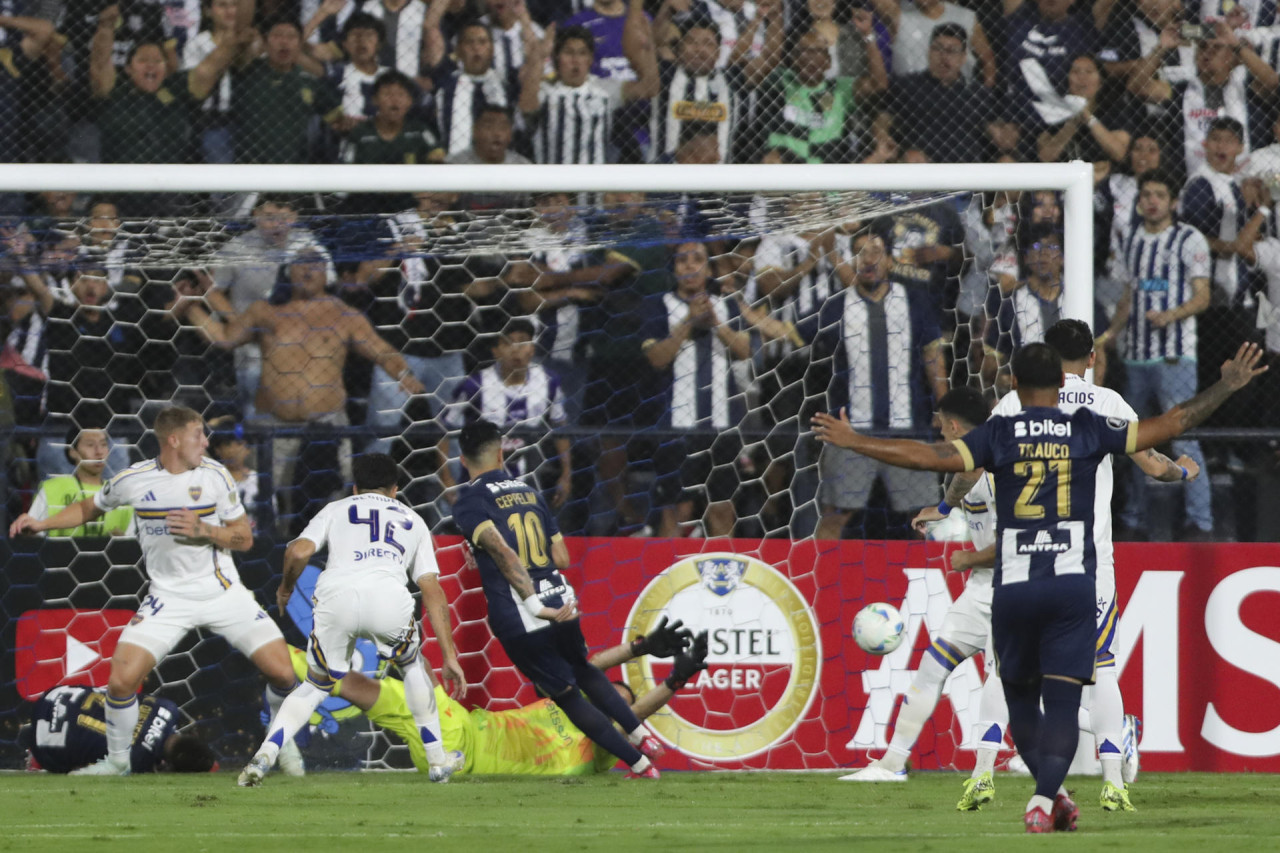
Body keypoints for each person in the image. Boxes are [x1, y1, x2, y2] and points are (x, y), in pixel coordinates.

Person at [812, 340, 1267, 832]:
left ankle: (1048, 793)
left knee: (1018, 699)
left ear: (1013, 384)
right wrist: (1227, 385)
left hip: (1015, 586)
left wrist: (854, 440)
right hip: (1071, 586)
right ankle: (1044, 798)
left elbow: (930, 456)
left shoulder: (999, 432)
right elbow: (1173, 423)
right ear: (1066, 383)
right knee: (1066, 702)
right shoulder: (1089, 427)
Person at [9, 405, 305, 778]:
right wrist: (41, 522)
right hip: (168, 598)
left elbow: (244, 538)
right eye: (199, 435)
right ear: (174, 440)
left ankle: (283, 741)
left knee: (282, 674)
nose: (206, 442)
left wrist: (206, 532)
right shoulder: (135, 479)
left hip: (224, 594)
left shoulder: (216, 476)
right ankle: (118, 761)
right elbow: (89, 508)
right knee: (120, 681)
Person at [451, 418, 665, 779]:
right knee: (583, 669)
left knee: (565, 694)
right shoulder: (531, 493)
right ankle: (643, 738)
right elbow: (562, 557)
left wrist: (532, 601)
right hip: (562, 596)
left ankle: (640, 765)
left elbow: (501, 550)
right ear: (501, 452)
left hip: (523, 610)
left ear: (462, 459)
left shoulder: (470, 500)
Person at [238, 453, 466, 786]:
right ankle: (437, 761)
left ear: (356, 487)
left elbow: (298, 552)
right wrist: (449, 656)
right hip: (388, 602)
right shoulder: (412, 519)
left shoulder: (337, 509)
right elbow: (430, 588)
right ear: (395, 490)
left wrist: (286, 588)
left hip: (336, 599)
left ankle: (264, 755)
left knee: (316, 685)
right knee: (412, 664)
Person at [839, 386, 1009, 794]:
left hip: (1013, 591)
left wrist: (968, 559)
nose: (938, 435)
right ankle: (892, 762)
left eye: (939, 427)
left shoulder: (1006, 469)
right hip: (980, 591)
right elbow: (962, 478)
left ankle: (1110, 728)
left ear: (952, 426)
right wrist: (945, 510)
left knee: (1011, 687)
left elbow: (1019, 545)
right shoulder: (971, 465)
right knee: (932, 668)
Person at [182, 251, 427, 533]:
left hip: (327, 426)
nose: (307, 271)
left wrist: (404, 374)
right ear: (288, 272)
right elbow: (224, 337)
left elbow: (381, 349)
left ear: (326, 272)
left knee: (329, 502)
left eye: (314, 265)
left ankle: (321, 560)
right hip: (272, 426)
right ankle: (270, 562)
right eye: (300, 266)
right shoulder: (267, 311)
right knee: (268, 499)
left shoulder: (343, 314)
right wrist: (190, 307)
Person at [300, 619, 705, 775]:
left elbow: (632, 714)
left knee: (400, 678)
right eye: (603, 697)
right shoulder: (562, 700)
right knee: (363, 685)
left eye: (615, 705)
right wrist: (637, 648)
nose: (605, 702)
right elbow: (589, 667)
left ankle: (394, 638)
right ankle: (292, 667)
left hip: (463, 760)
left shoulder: (601, 747)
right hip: (462, 727)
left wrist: (674, 680)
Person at [802, 231, 946, 540]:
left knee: (925, 517)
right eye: (860, 252)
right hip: (849, 432)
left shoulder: (914, 300)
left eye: (876, 251)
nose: (868, 259)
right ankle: (818, 585)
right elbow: (794, 334)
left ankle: (933, 584)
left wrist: (943, 405)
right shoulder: (835, 306)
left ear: (891, 260)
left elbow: (932, 352)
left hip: (909, 429)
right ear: (852, 261)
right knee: (835, 515)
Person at [1101, 170, 1214, 539]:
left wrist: (1171, 315)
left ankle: (1200, 520)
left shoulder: (1188, 238)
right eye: (1146, 193)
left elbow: (1203, 296)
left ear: (1173, 202)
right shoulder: (1131, 239)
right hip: (1135, 358)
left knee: (1184, 438)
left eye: (1159, 194)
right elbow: (1128, 297)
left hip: (1174, 357)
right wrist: (1109, 335)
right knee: (1135, 441)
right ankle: (1135, 519)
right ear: (1139, 202)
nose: (1152, 200)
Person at [444, 319, 572, 508]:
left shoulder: (549, 381)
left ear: (532, 349)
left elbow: (560, 426)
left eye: (523, 341)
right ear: (495, 351)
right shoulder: (475, 385)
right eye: (508, 343)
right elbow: (443, 429)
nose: (516, 349)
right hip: (479, 481)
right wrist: (446, 478)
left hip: (528, 478)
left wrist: (566, 474)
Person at [22, 685, 217, 774]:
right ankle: (37, 761)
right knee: (101, 760)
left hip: (57, 694)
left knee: (118, 700)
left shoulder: (167, 706)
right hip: (44, 743)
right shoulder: (139, 762)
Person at [28, 426, 136, 537]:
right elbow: (32, 535)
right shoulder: (51, 489)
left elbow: (133, 543)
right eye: (90, 445)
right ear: (73, 452)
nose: (99, 452)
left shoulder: (121, 495)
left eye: (103, 445)